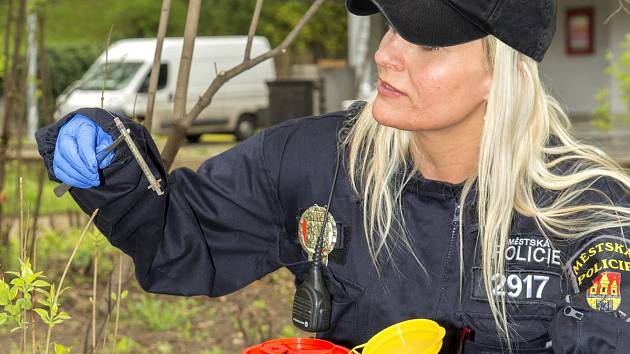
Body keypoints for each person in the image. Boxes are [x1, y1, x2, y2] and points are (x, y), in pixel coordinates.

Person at [36, 0, 630, 352]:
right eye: (392, 28)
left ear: (502, 73)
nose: (386, 54)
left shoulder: (589, 215)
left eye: (425, 43)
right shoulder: (317, 160)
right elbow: (175, 238)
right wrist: (111, 159)